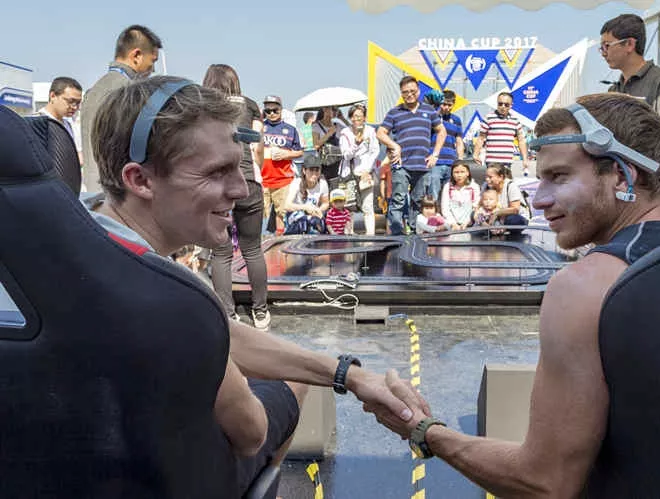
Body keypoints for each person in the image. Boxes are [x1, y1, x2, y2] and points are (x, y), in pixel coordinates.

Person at [90, 76, 421, 495]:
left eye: (237, 166)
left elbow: (216, 335)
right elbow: (250, 432)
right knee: (291, 385)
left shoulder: (77, 241)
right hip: (162, 480)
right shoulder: (173, 296)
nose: (241, 189)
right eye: (216, 172)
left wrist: (347, 374)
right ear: (140, 180)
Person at [370, 93, 660, 498]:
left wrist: (423, 430)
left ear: (621, 176)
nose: (539, 198)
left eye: (558, 177)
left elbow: (544, 482)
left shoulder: (583, 287)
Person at [202, 64, 269, 329]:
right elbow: (259, 147)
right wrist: (253, 171)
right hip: (248, 181)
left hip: (218, 185)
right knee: (252, 249)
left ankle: (228, 315)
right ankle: (261, 312)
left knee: (221, 252)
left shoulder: (203, 107)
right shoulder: (250, 105)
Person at [600, 14, 660, 212]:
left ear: (630, 44)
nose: (603, 53)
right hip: (623, 192)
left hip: (655, 195)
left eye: (607, 45)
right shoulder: (614, 90)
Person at [81, 25, 162, 193]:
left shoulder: (95, 90)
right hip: (121, 194)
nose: (153, 69)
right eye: (153, 61)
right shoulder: (128, 92)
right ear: (137, 55)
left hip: (98, 191)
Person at [377, 76, 446, 234]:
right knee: (398, 199)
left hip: (422, 163)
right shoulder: (394, 112)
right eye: (405, 92)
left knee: (418, 201)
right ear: (401, 93)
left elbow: (442, 131)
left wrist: (435, 154)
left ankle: (415, 234)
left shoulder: (429, 110)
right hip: (401, 164)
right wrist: (394, 145)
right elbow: (380, 133)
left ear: (418, 91)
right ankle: (397, 234)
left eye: (412, 91)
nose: (409, 94)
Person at [261, 94, 303, 235]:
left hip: (283, 179)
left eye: (275, 110)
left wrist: (286, 154)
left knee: (282, 214)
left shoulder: (290, 129)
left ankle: (280, 242)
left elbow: (299, 152)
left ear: (281, 110)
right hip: (263, 180)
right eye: (268, 111)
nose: (272, 114)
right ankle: (263, 243)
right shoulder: (260, 128)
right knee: (262, 216)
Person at [338, 104, 379, 235]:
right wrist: (356, 143)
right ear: (350, 118)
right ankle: (349, 235)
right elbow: (346, 155)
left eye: (360, 116)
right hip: (349, 174)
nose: (357, 119)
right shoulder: (345, 133)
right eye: (354, 116)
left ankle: (370, 236)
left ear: (365, 118)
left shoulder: (371, 131)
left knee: (368, 206)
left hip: (365, 174)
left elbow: (375, 151)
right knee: (349, 206)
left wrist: (367, 170)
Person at [473, 92, 531, 176]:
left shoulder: (515, 120)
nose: (503, 106)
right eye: (500, 104)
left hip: (507, 162)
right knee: (492, 183)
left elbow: (521, 140)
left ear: (511, 105)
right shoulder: (489, 118)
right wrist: (475, 154)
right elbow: (481, 138)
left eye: (506, 105)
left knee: (507, 183)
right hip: (492, 162)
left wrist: (525, 159)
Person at [428, 89, 465, 201]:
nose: (446, 108)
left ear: (453, 104)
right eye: (444, 104)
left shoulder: (456, 120)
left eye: (449, 105)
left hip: (451, 163)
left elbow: (459, 141)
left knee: (449, 196)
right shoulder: (432, 117)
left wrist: (460, 161)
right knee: (433, 195)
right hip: (435, 162)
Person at [36, 77, 82, 154]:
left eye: (78, 103)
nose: (75, 107)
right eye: (71, 101)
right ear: (53, 96)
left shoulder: (68, 125)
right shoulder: (37, 122)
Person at [283, 157, 329, 235]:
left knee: (320, 223)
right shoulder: (297, 183)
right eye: (311, 170)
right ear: (304, 170)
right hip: (296, 216)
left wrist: (318, 210)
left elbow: (326, 203)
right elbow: (287, 205)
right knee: (305, 222)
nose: (314, 173)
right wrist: (306, 207)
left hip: (313, 215)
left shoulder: (323, 183)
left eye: (317, 170)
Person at [483, 163, 530, 231]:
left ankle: (502, 229)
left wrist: (497, 213)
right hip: (494, 216)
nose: (487, 179)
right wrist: (481, 221)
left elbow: (515, 209)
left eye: (490, 177)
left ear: (501, 177)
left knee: (513, 220)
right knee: (475, 215)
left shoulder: (511, 186)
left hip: (515, 217)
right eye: (486, 176)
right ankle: (491, 229)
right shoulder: (485, 186)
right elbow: (479, 205)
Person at [440, 159, 479, 230]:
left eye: (462, 172)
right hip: (451, 224)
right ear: (452, 173)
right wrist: (453, 223)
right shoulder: (448, 187)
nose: (459, 175)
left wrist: (467, 222)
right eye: (456, 172)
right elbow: (445, 208)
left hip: (469, 224)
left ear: (468, 173)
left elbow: (476, 207)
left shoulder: (474, 187)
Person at [312, 106, 345, 182]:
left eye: (336, 109)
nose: (335, 112)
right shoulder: (316, 126)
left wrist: (343, 118)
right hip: (324, 164)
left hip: (338, 163)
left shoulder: (338, 125)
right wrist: (329, 133)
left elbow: (352, 131)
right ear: (324, 109)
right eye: (333, 109)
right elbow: (316, 145)